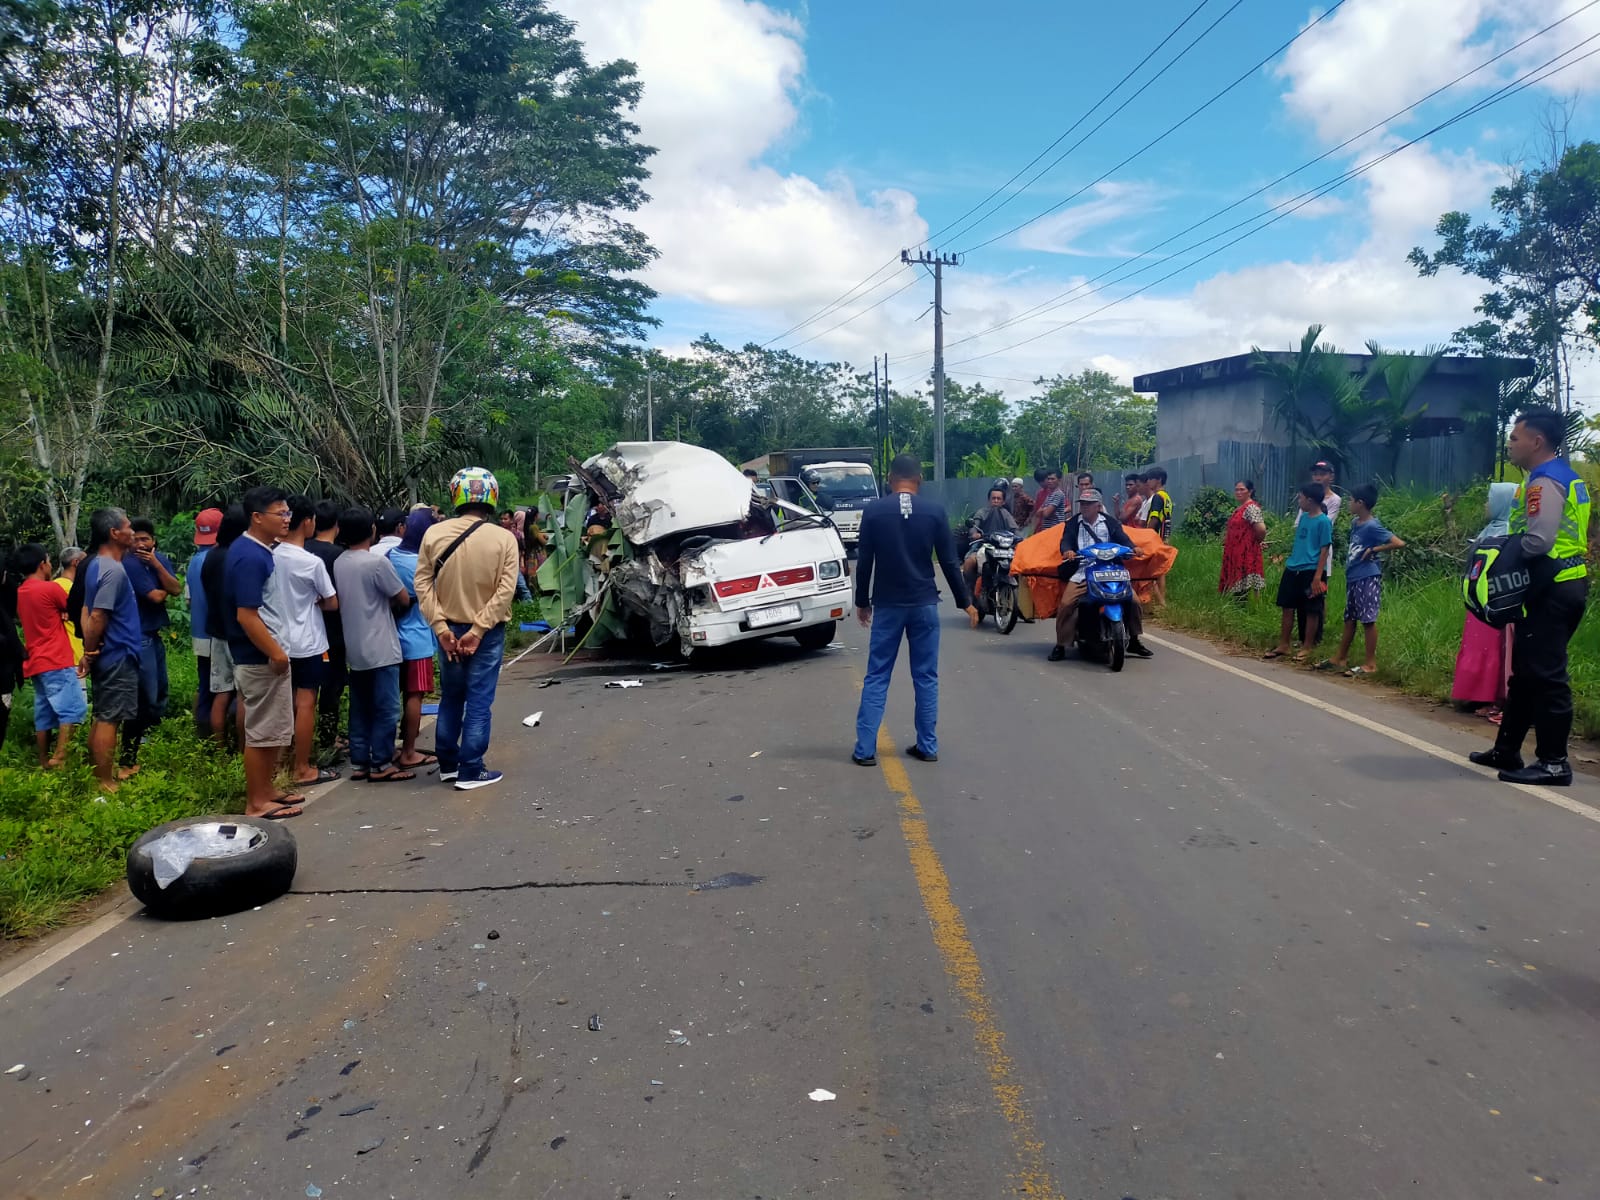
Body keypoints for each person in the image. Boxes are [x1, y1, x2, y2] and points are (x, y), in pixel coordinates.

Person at [1470, 408, 1591, 786]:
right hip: (1556, 584)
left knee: (1547, 675)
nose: (1510, 445)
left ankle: (1555, 762)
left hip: (1553, 587)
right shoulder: (1563, 477)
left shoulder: (1544, 481)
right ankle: (1506, 750)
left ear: (1536, 442)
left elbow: (1539, 541)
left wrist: (1498, 551)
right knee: (1525, 674)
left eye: (1514, 438)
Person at [850, 453, 978, 767]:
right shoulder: (933, 511)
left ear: (890, 480)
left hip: (889, 605)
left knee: (877, 676)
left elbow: (865, 561)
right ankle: (927, 746)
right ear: (919, 479)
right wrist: (966, 602)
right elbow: (949, 561)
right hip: (924, 605)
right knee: (926, 676)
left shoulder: (874, 511)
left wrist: (862, 602)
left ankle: (866, 749)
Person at [416, 467, 521, 790]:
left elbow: (422, 583)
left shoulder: (434, 534)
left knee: (451, 697)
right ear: (491, 496)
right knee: (478, 700)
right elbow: (506, 589)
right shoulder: (504, 538)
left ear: (455, 495)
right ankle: (471, 769)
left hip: (447, 632)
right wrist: (478, 630)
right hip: (485, 634)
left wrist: (441, 628)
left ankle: (448, 763)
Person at [223, 487, 302, 819]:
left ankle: (267, 789)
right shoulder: (249, 556)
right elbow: (247, 614)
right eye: (280, 514)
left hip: (267, 653)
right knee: (262, 731)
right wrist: (276, 653)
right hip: (260, 657)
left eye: (288, 514)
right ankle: (256, 802)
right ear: (257, 517)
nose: (286, 520)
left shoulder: (258, 550)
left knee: (273, 730)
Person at [333, 507, 413, 782]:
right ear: (371, 531)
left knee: (360, 707)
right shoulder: (376, 564)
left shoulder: (340, 562)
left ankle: (360, 762)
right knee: (387, 707)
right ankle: (381, 762)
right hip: (381, 645)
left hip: (354, 646)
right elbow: (402, 597)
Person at [275, 495, 340, 788]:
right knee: (305, 704)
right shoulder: (311, 562)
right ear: (307, 522)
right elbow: (332, 602)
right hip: (309, 642)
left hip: (277, 641)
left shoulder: (270, 556)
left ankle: (281, 764)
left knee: (283, 704)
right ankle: (302, 767)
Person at [77, 508, 143, 791]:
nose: (133, 531)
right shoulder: (112, 570)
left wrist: (88, 649)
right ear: (115, 533)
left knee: (103, 714)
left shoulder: (95, 565)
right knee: (110, 718)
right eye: (128, 527)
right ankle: (105, 782)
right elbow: (97, 616)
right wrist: (90, 651)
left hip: (108, 652)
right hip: (118, 653)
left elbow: (86, 609)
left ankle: (100, 777)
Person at [1047, 489, 1154, 662]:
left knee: (1133, 601)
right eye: (1082, 504)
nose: (1084, 507)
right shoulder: (1073, 523)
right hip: (1083, 571)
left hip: (1112, 570)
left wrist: (1133, 548)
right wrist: (1067, 551)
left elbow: (1122, 538)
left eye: (1088, 504)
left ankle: (1134, 640)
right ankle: (1060, 645)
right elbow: (1066, 540)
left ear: (1098, 506)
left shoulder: (1110, 522)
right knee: (1066, 604)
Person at [1318, 483, 1404, 677]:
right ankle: (1340, 657)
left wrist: (1374, 550)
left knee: (1368, 620)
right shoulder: (1355, 523)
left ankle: (1370, 664)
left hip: (1367, 577)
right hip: (1354, 576)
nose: (1349, 504)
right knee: (1349, 619)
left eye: (1351, 500)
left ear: (1361, 503)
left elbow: (1398, 543)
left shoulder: (1373, 525)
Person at [15, 544, 87, 767]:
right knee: (72, 709)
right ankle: (60, 758)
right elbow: (73, 609)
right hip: (57, 658)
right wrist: (65, 612)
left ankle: (44, 758)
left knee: (44, 712)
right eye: (48, 560)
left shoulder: (21, 591)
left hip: (36, 660)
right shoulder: (49, 588)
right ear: (42, 564)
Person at [1451, 483, 1517, 720]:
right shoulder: (1490, 529)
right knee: (1477, 647)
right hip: (1478, 601)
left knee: (1495, 651)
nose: (1486, 504)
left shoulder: (1509, 531)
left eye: (1490, 499)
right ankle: (1477, 694)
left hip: (1494, 602)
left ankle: (1495, 699)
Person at [121, 517, 180, 770]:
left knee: (160, 689)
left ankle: (150, 734)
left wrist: (157, 565)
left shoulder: (159, 560)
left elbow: (176, 588)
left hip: (154, 633)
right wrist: (163, 583)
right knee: (146, 690)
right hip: (139, 635)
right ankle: (137, 741)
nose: (140, 544)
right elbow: (157, 596)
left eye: (145, 539)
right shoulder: (129, 564)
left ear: (153, 541)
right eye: (135, 539)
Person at [386, 507, 440, 771]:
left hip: (391, 637)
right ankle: (409, 751)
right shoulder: (421, 564)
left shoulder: (390, 556)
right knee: (414, 696)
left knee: (391, 696)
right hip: (417, 638)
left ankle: (387, 750)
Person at [1265, 484, 1332, 662]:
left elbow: (1325, 549)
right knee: (1287, 606)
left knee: (1312, 609)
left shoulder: (1323, 521)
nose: (1299, 501)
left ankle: (1307, 646)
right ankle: (1284, 644)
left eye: (1301, 498)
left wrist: (1318, 576)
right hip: (1293, 568)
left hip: (1312, 571)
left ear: (1310, 500)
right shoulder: (1303, 518)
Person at [305, 500, 348, 762]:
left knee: (306, 689)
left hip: (304, 632)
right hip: (333, 630)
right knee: (332, 687)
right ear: (337, 525)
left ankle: (304, 741)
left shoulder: (301, 549)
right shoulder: (337, 556)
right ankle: (328, 737)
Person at [201, 505, 247, 742]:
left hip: (217, 632)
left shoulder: (212, 555)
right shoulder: (238, 557)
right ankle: (243, 749)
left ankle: (218, 751)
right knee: (243, 696)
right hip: (238, 634)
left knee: (220, 693)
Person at [1294, 461, 1343, 647]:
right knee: (1302, 597)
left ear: (1331, 476)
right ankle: (1303, 637)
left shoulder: (1334, 500)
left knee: (1317, 596)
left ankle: (1316, 638)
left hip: (1320, 553)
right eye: (1315, 473)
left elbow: (1324, 523)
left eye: (1322, 473)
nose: (1318, 476)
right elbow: (1300, 524)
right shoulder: (1306, 497)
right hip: (1303, 554)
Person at [186, 508, 222, 737]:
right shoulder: (219, 559)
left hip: (199, 633)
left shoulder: (194, 561)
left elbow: (189, 601)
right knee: (222, 688)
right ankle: (218, 737)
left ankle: (201, 732)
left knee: (204, 684)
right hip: (218, 634)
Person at [961, 485, 1018, 594]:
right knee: (969, 563)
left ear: (1003, 501)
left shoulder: (1006, 515)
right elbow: (974, 526)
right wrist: (975, 534)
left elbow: (1015, 529)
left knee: (1021, 565)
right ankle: (969, 592)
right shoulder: (982, 512)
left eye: (998, 499)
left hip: (1003, 547)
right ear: (989, 500)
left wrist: (1020, 538)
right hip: (982, 544)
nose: (996, 501)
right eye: (993, 498)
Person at [1218, 479, 1267, 598]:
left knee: (1249, 575)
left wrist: (1254, 543)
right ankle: (1240, 603)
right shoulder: (1241, 508)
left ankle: (1253, 607)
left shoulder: (1251, 508)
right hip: (1236, 550)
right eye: (1236, 490)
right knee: (1239, 577)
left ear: (1249, 492)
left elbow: (1261, 529)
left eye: (1242, 489)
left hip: (1247, 550)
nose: (1238, 492)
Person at [54, 547, 86, 665]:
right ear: (76, 563)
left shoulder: (55, 585)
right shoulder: (70, 589)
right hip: (76, 653)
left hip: (64, 655)